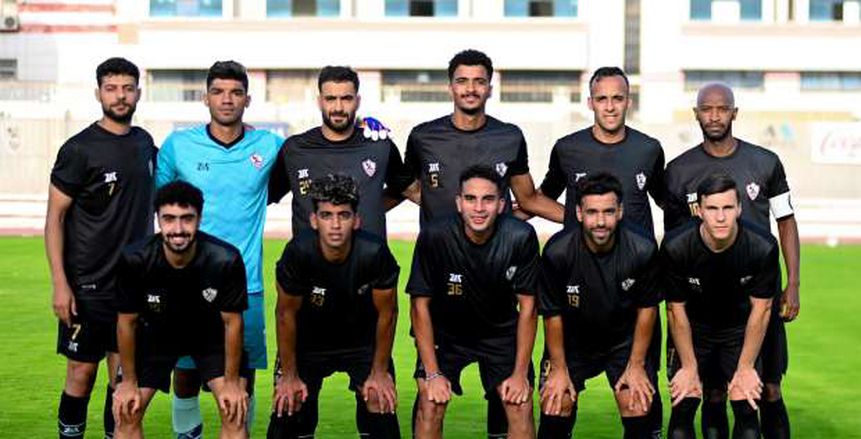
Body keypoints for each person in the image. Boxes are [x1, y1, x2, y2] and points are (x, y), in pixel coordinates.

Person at [403, 48, 562, 438]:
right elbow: (403, 187)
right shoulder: (423, 136)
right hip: (444, 295)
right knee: (429, 399)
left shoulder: (509, 136)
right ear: (450, 87)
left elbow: (527, 198)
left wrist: (583, 220)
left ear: (490, 87)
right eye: (462, 81)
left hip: (496, 295)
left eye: (479, 81)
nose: (470, 89)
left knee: (515, 400)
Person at [663, 83, 799, 439]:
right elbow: (675, 240)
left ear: (734, 113)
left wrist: (793, 283)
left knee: (767, 389)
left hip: (757, 296)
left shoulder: (765, 162)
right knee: (712, 392)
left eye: (722, 108)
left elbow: (786, 220)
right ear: (696, 114)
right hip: (703, 302)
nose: (714, 116)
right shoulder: (677, 171)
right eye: (707, 109)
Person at [156, 60, 282, 438]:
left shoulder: (269, 146)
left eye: (235, 92)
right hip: (185, 282)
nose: (227, 100)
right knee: (186, 372)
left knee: (242, 376)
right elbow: (160, 205)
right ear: (205, 98)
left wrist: (364, 128)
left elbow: (314, 156)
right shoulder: (178, 146)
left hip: (246, 284)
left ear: (248, 100)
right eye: (218, 92)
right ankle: (186, 434)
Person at [539, 67, 666, 435]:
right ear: (590, 102)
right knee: (555, 400)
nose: (610, 107)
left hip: (630, 292)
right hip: (577, 290)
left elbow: (669, 204)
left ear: (629, 101)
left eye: (618, 98)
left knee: (639, 399)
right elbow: (542, 197)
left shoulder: (648, 149)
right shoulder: (567, 148)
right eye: (602, 99)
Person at [46, 57, 157, 439]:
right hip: (87, 287)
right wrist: (60, 284)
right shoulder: (79, 149)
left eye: (127, 88)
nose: (120, 96)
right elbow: (54, 219)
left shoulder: (145, 144)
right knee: (81, 372)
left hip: (133, 285)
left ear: (138, 93)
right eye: (111, 88)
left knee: (123, 380)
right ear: (98, 94)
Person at [408, 165, 540, 439]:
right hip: (447, 334)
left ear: (501, 204)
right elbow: (419, 305)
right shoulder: (435, 235)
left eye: (488, 199)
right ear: (459, 202)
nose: (479, 208)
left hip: (500, 333)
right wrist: (432, 375)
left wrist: (519, 374)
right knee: (430, 404)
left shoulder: (520, 236)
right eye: (471, 199)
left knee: (520, 404)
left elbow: (528, 307)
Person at [112, 181, 249, 439]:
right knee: (127, 411)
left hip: (210, 338)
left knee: (234, 411)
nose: (178, 229)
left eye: (187, 219)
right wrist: (128, 382)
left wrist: (232, 383)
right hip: (155, 337)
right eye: (169, 219)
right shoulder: (135, 259)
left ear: (200, 219)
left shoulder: (225, 259)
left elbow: (232, 323)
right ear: (158, 220)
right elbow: (126, 322)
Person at [266, 175, 400, 439]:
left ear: (356, 220)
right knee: (289, 402)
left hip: (361, 342)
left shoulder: (374, 253)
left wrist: (379, 372)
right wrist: (289, 375)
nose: (336, 225)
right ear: (314, 220)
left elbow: (388, 313)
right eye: (326, 215)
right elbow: (285, 315)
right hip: (308, 344)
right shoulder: (298, 253)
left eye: (343, 215)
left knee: (379, 398)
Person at [538, 173, 661, 439]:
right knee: (555, 403)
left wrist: (636, 364)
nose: (601, 221)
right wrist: (558, 369)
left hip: (622, 341)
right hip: (572, 343)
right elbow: (552, 315)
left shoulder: (642, 248)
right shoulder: (557, 252)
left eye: (608, 212)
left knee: (637, 403)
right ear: (579, 213)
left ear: (620, 212)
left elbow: (647, 309)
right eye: (592, 212)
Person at [662, 173, 779, 439]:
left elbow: (761, 311)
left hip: (740, 330)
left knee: (745, 402)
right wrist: (688, 367)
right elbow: (675, 311)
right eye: (712, 208)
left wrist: (746, 367)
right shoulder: (676, 246)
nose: (721, 217)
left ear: (739, 208)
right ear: (699, 210)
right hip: (693, 330)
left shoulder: (762, 246)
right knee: (685, 401)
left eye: (728, 207)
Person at [268, 65, 418, 238]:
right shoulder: (294, 149)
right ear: (320, 101)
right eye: (330, 99)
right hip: (308, 256)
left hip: (371, 255)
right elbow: (258, 197)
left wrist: (371, 208)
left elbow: (411, 191)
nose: (338, 107)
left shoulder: (380, 146)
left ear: (358, 101)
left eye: (346, 98)